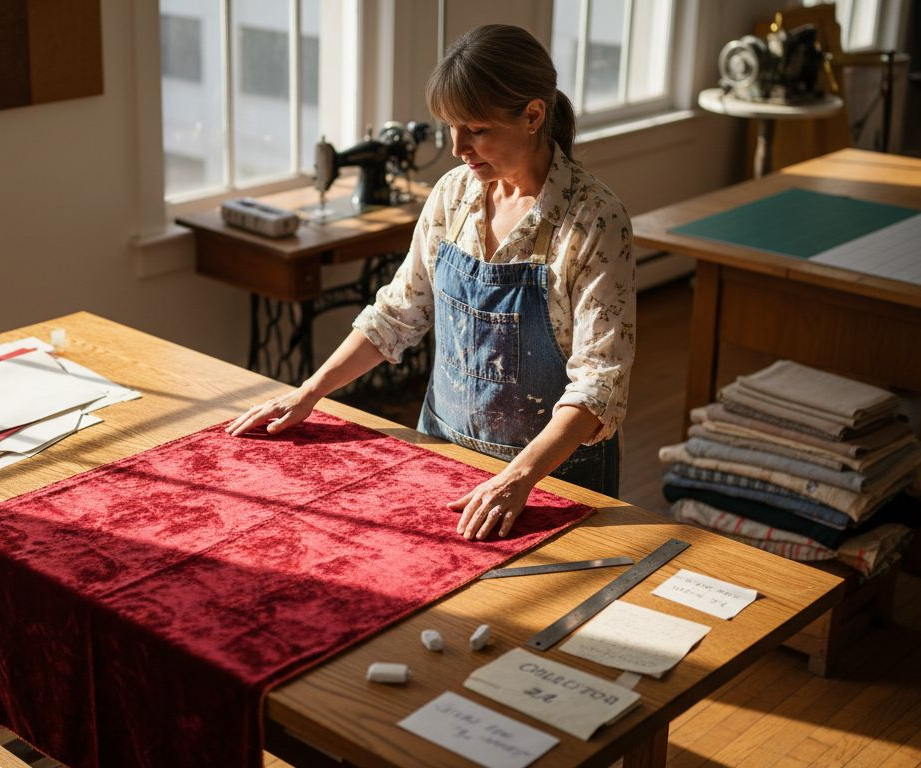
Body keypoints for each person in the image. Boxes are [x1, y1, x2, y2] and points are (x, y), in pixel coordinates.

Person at [227, 24, 635, 541]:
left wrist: (518, 477)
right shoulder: (453, 196)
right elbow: (398, 312)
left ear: (533, 115)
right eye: (450, 128)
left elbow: (600, 384)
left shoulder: (594, 219)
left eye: (477, 129)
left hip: (553, 482)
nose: (458, 147)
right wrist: (310, 392)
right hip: (444, 456)